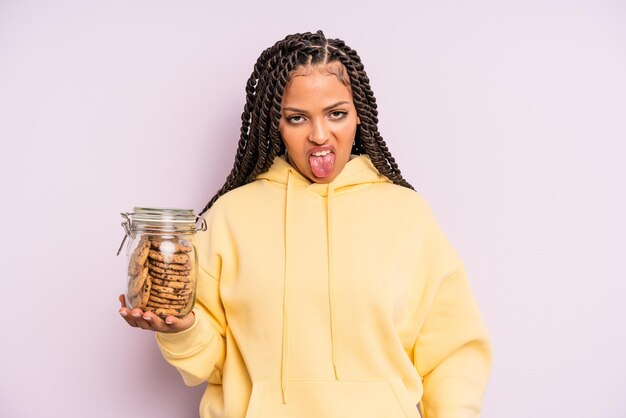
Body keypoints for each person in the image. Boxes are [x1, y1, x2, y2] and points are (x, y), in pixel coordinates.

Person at [119, 30, 492, 418]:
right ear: (275, 124)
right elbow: (214, 363)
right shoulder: (228, 217)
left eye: (336, 113)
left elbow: (453, 352)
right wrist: (181, 331)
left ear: (359, 114)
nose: (318, 135)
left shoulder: (407, 216)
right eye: (297, 118)